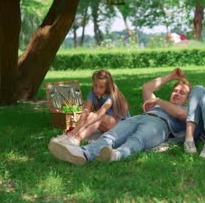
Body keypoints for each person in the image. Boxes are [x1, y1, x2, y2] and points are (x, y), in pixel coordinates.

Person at [48, 68, 191, 165]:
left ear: (188, 100)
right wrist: (171, 76)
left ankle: (116, 155)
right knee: (110, 136)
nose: (177, 94)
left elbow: (180, 114)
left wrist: (158, 100)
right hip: (139, 118)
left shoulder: (186, 109)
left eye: (182, 93)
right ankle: (82, 154)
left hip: (160, 125)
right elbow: (147, 88)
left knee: (138, 139)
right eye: (175, 91)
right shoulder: (156, 104)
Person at [50, 70, 130, 146]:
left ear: (108, 87)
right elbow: (85, 111)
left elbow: (100, 113)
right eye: (95, 85)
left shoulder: (112, 96)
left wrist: (81, 127)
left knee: (97, 116)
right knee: (91, 115)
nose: (97, 89)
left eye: (101, 87)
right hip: (109, 126)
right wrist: (77, 128)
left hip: (122, 127)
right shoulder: (92, 93)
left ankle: (77, 138)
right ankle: (75, 136)